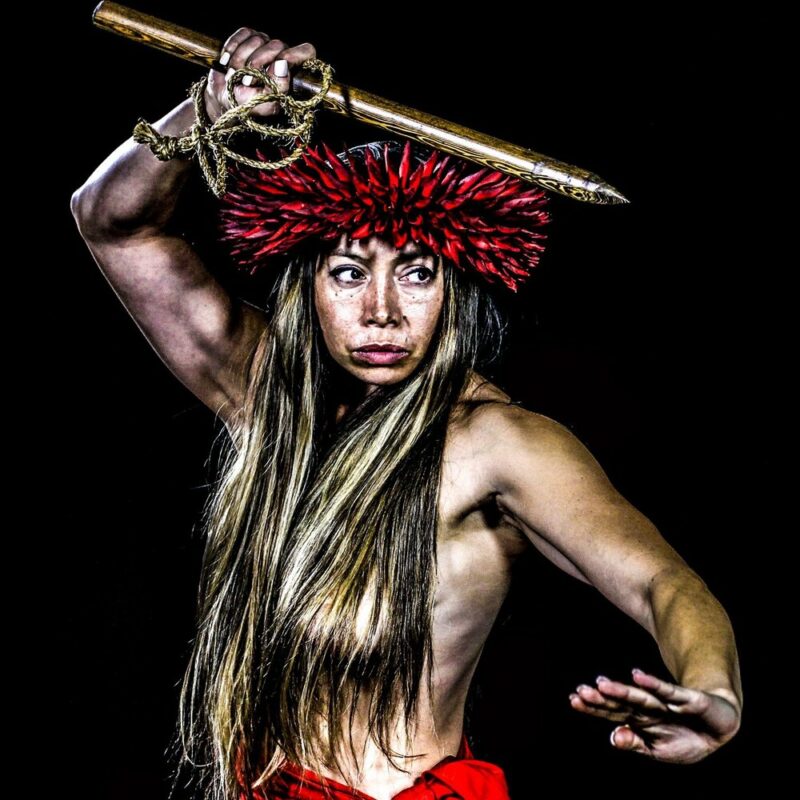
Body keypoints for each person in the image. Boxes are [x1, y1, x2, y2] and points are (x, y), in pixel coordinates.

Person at [70, 26, 743, 800]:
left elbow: (663, 582)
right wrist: (210, 107)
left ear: (452, 288)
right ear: (307, 285)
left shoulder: (496, 445)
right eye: (350, 272)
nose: (382, 310)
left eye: (417, 274)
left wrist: (713, 690)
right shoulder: (265, 394)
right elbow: (110, 220)